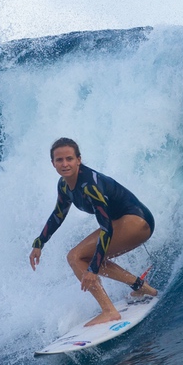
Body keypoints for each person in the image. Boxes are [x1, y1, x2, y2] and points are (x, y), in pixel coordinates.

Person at [28, 137, 159, 326]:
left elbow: (106, 227)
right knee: (84, 258)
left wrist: (93, 270)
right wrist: (39, 243)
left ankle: (109, 311)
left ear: (78, 160)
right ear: (53, 163)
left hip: (137, 222)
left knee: (76, 257)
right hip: (125, 222)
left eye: (69, 159)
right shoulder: (64, 185)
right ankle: (143, 288)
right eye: (59, 160)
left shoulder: (90, 185)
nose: (65, 164)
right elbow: (58, 214)